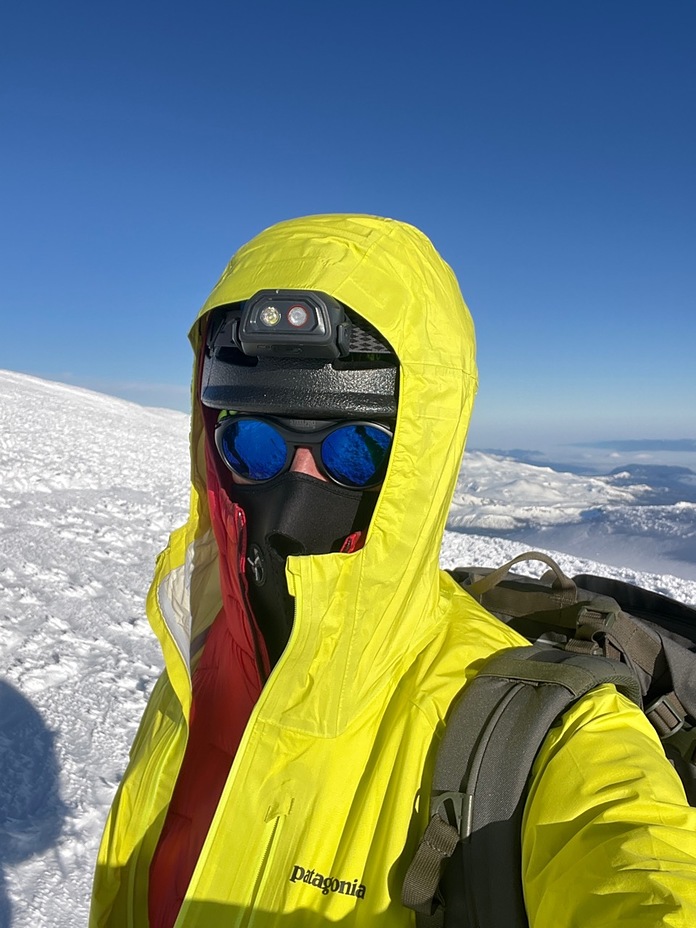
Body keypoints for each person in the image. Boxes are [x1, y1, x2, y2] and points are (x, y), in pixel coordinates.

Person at [90, 215, 696, 927]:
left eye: (356, 452)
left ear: (416, 459)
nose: (297, 484)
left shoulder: (543, 734)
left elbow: (637, 866)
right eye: (251, 444)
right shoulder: (195, 663)